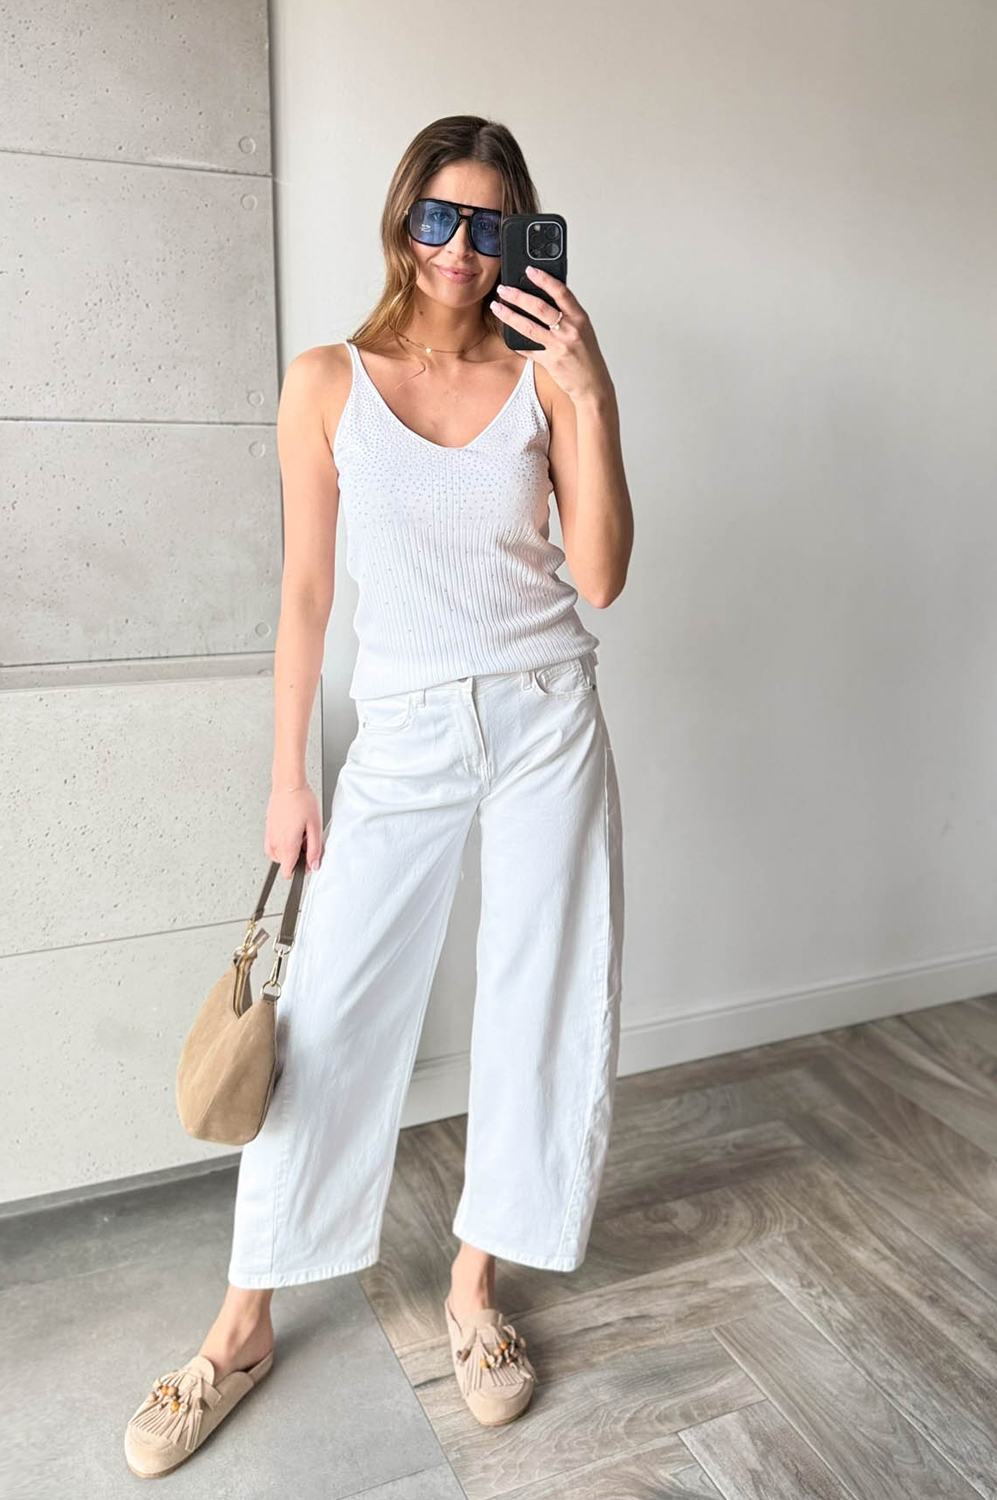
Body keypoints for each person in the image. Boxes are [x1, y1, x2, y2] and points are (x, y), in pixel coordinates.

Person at [124, 112, 632, 1478]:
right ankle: (242, 1327)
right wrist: (288, 772)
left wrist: (588, 391)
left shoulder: (545, 378)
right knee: (330, 1017)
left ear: (520, 235)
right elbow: (304, 595)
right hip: (400, 733)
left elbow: (599, 577)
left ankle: (474, 1288)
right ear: (403, 221)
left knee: (541, 999)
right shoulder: (326, 382)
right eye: (438, 217)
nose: (461, 247)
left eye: (488, 223)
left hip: (544, 717)